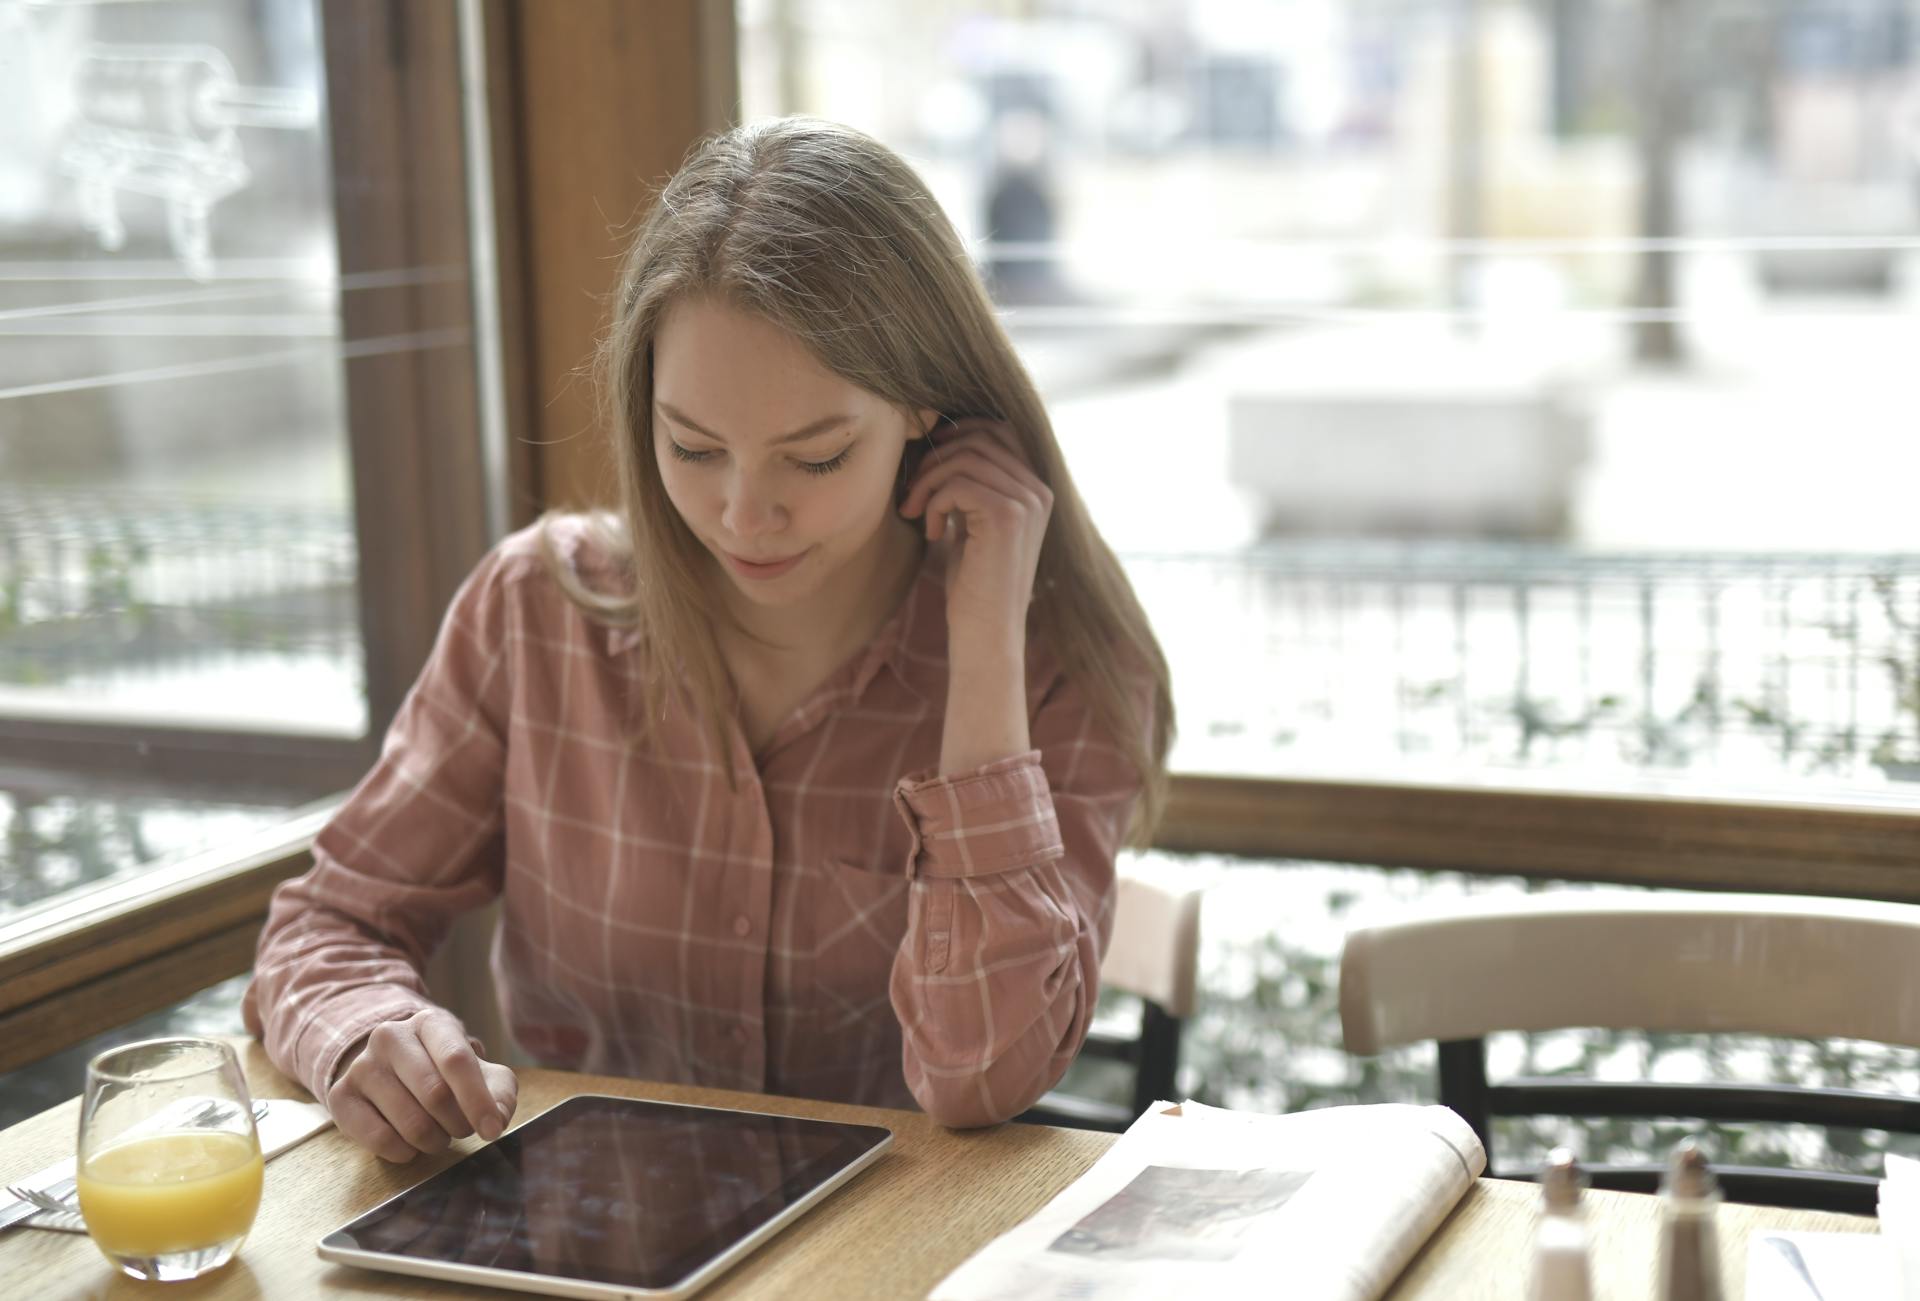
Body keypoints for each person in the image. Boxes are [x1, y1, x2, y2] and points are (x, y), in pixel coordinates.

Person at [243, 116, 1174, 1162]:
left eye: (813, 458)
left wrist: (987, 650)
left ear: (928, 405)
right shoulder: (536, 612)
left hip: (887, 1261)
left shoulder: (1060, 666)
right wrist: (368, 1033)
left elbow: (982, 1073)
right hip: (585, 1235)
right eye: (692, 447)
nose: (743, 514)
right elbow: (329, 924)